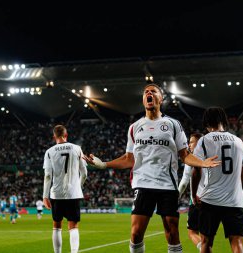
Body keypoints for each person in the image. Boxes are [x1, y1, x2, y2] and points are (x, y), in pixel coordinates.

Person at [84, 83, 220, 253]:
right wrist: (104, 164)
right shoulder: (134, 127)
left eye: (153, 91)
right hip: (143, 184)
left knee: (172, 233)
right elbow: (128, 159)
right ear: (143, 99)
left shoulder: (173, 124)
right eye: (146, 92)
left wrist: (202, 162)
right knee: (135, 234)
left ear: (160, 99)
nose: (149, 93)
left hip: (167, 185)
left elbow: (184, 155)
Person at [191, 107, 243, 253]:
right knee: (237, 243)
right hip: (234, 201)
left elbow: (196, 171)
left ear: (206, 122)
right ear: (223, 120)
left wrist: (193, 194)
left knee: (206, 243)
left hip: (210, 200)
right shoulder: (239, 141)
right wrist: (236, 192)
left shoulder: (203, 141)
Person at [43, 125, 87, 253]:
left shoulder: (49, 152)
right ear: (66, 135)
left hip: (56, 194)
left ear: (54, 137)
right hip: (73, 193)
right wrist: (78, 186)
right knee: (73, 226)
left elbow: (47, 176)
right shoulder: (77, 149)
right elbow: (84, 173)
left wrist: (45, 196)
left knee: (57, 226)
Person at [177, 132, 203, 251]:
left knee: (192, 233)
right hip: (213, 201)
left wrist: (176, 197)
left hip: (197, 201)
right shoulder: (212, 155)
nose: (189, 144)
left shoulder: (191, 158)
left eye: (192, 142)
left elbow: (184, 183)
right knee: (205, 235)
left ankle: (204, 248)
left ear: (199, 142)